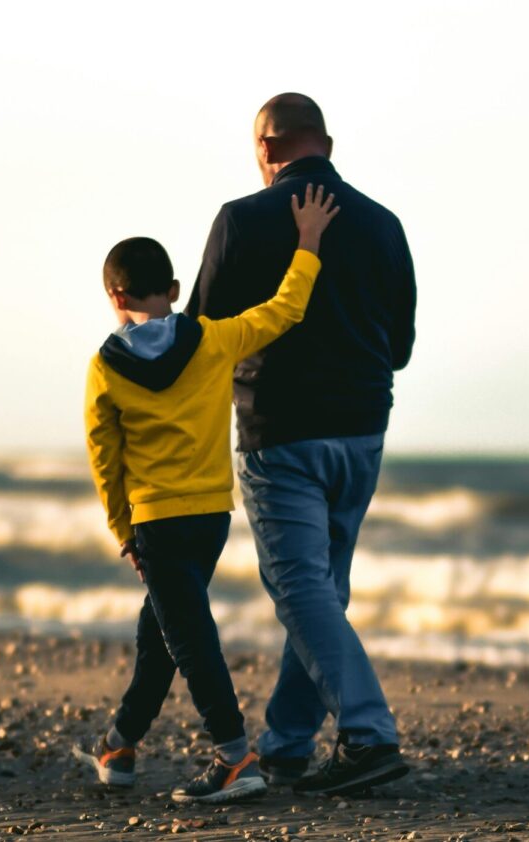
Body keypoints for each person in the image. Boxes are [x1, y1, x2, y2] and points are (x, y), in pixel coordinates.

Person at [186, 93, 417, 796]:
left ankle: (368, 733)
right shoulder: (382, 224)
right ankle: (287, 744)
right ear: (328, 144)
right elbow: (401, 348)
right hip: (362, 430)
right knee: (323, 588)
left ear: (265, 149)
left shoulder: (242, 220)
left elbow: (199, 335)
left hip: (279, 428)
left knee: (299, 587)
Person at [77, 184, 339, 804]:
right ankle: (118, 743)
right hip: (211, 518)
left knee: (188, 639)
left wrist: (123, 531)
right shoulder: (213, 338)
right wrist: (307, 242)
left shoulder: (104, 366)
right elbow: (284, 310)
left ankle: (233, 756)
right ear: (171, 290)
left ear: (114, 297)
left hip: (156, 521)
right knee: (163, 634)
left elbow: (103, 458)